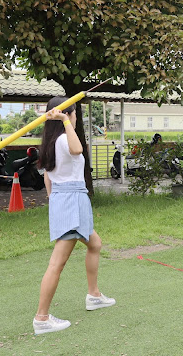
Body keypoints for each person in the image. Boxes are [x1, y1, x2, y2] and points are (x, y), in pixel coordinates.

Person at [33, 97, 115, 335]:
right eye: (74, 114)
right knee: (57, 264)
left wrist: (53, 201)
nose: (76, 118)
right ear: (67, 115)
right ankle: (42, 318)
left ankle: (94, 295)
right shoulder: (62, 139)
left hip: (67, 199)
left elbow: (48, 177)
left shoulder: (51, 141)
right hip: (70, 201)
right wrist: (66, 121)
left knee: (95, 243)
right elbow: (78, 149)